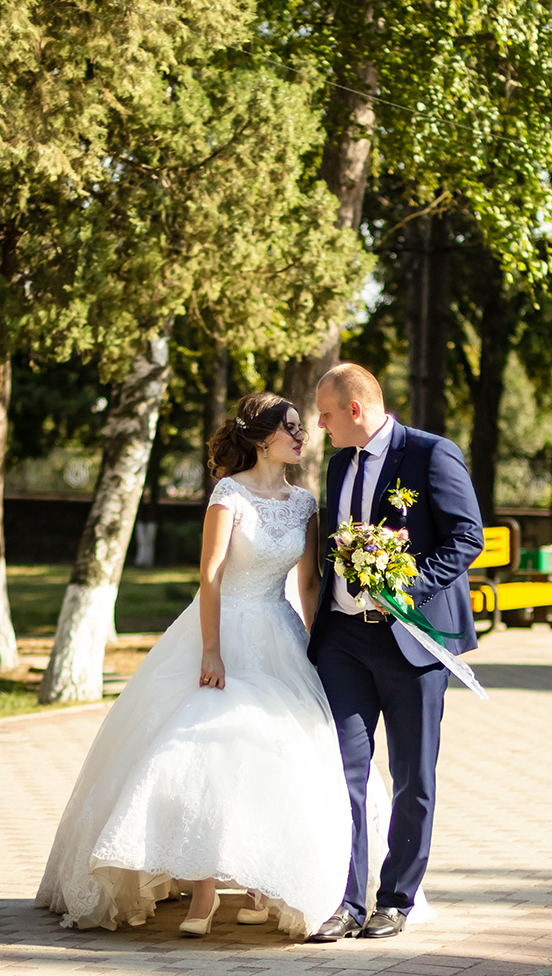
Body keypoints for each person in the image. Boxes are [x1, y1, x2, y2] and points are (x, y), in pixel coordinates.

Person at [36, 392, 352, 938]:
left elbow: (306, 583)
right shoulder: (228, 494)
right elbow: (210, 578)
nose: (302, 437)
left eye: (303, 428)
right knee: (208, 747)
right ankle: (202, 895)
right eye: (292, 429)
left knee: (275, 753)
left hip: (279, 634)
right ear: (261, 438)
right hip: (223, 627)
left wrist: (314, 645)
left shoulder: (304, 504)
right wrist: (211, 648)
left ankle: (261, 886)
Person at [305, 362, 484, 943]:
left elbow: (466, 537)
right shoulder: (337, 465)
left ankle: (397, 898)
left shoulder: (432, 454)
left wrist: (403, 590)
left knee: (411, 776)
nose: (322, 426)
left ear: (355, 410)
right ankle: (348, 901)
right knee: (343, 771)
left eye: (327, 415)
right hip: (344, 644)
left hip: (414, 640)